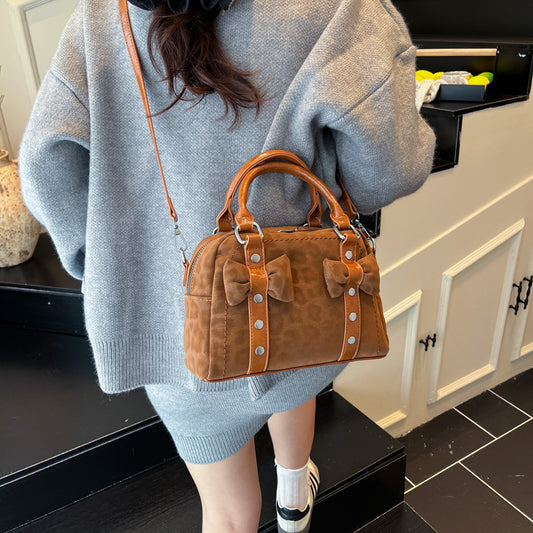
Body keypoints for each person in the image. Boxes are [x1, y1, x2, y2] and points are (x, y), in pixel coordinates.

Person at [18, 0, 436, 531]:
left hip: (173, 318)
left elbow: (43, 165)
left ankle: (289, 495)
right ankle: (294, 499)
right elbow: (390, 171)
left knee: (228, 513)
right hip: (295, 287)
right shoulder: (339, 9)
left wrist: (103, 262)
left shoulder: (99, 19)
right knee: (292, 351)